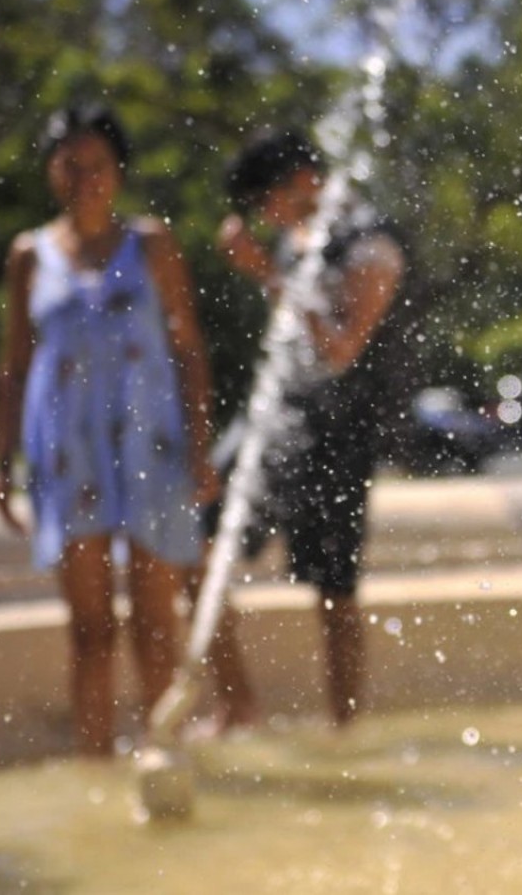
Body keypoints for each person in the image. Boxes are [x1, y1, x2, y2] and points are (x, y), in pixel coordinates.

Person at [0, 104, 220, 757]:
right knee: (90, 630)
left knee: (155, 622)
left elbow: (189, 351)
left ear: (118, 173)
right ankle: (94, 765)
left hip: (151, 444)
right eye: (69, 164)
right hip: (68, 453)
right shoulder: (29, 256)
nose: (83, 177)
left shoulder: (151, 245)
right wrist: (2, 462)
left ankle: (161, 758)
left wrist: (201, 448)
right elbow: (14, 363)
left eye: (97, 165)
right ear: (49, 170)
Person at [201, 129, 410, 728]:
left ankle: (345, 729)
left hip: (339, 435)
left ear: (303, 181)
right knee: (195, 540)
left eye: (268, 199)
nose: (266, 215)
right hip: (276, 421)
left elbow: (341, 351)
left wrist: (267, 272)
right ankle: (235, 701)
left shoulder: (371, 246)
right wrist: (272, 271)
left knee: (335, 592)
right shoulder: (297, 246)